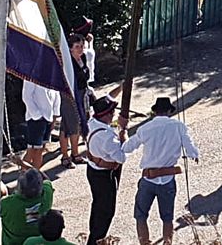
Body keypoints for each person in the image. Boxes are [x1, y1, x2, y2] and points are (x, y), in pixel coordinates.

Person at [122, 97, 199, 245]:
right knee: (167, 217)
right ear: (169, 111)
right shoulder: (178, 126)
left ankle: (144, 243)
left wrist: (123, 134)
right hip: (168, 180)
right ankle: (167, 242)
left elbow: (127, 148)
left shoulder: (145, 128)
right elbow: (190, 148)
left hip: (148, 179)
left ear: (154, 112)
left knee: (141, 215)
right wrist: (194, 155)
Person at [85, 95, 126, 245]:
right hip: (104, 175)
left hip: (92, 170)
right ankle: (96, 240)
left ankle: (93, 235)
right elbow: (121, 158)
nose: (113, 114)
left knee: (97, 205)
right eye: (112, 112)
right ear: (107, 114)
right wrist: (123, 134)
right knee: (106, 211)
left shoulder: (91, 123)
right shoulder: (108, 136)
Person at [58, 33, 91, 169]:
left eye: (82, 46)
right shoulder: (68, 61)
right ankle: (73, 154)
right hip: (70, 95)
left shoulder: (82, 58)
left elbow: (86, 75)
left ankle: (67, 155)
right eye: (77, 47)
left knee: (66, 125)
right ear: (70, 49)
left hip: (81, 93)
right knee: (73, 123)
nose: (80, 49)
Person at [1, 168, 54, 245]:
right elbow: (46, 179)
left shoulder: (7, 203)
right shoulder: (46, 195)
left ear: (19, 187)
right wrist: (25, 165)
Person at [21, 79, 59, 170]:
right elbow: (26, 96)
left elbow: (57, 94)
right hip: (36, 119)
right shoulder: (31, 75)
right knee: (32, 150)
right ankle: (24, 178)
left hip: (48, 118)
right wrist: (37, 115)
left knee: (41, 149)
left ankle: (36, 175)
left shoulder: (52, 74)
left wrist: (54, 116)